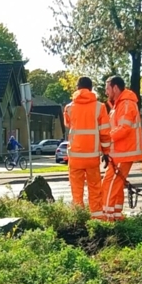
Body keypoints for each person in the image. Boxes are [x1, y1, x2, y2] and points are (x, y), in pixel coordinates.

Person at [63, 77, 110, 220]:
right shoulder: (99, 107)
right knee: (95, 189)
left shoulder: (69, 108)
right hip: (92, 157)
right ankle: (96, 218)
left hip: (75, 156)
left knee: (76, 190)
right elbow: (105, 133)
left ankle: (78, 218)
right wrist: (106, 153)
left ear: (77, 88)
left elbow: (68, 125)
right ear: (91, 88)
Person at [103, 75, 142, 222]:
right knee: (116, 184)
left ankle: (106, 217)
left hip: (124, 152)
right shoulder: (120, 105)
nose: (105, 92)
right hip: (120, 152)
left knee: (110, 183)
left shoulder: (125, 104)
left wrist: (106, 140)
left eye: (107, 88)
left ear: (115, 87)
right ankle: (115, 215)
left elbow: (124, 128)